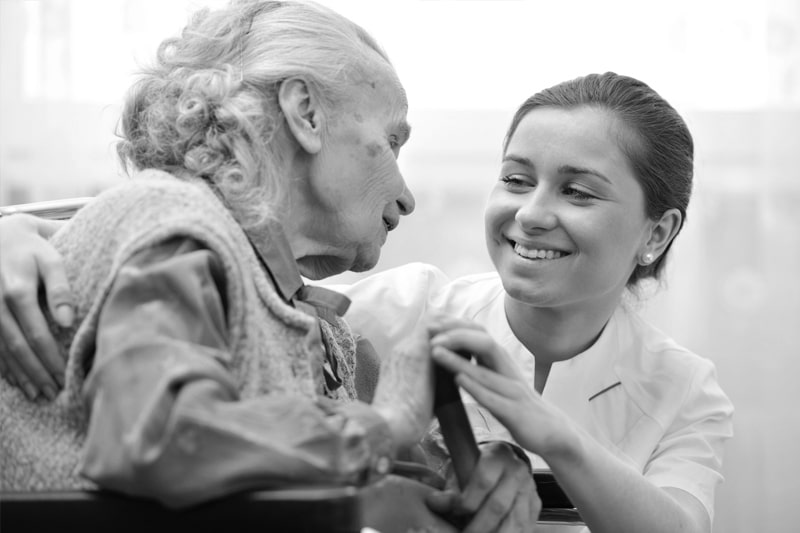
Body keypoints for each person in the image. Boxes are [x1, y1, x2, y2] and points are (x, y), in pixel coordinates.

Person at [0, 40, 732, 533]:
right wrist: (9, 232)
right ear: (301, 117)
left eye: (579, 191)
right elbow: (156, 234)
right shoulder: (398, 306)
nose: (532, 212)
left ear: (657, 233)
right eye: (514, 178)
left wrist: (524, 451)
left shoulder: (688, 390)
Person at [0, 1, 538, 530]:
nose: (405, 198)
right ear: (305, 113)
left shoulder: (314, 324)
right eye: (390, 141)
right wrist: (386, 423)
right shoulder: (172, 224)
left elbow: (348, 453)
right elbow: (159, 439)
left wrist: (483, 469)